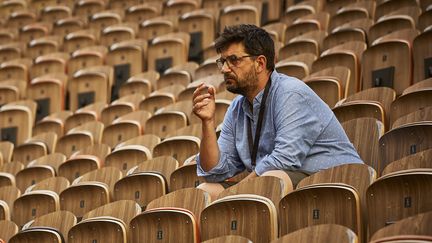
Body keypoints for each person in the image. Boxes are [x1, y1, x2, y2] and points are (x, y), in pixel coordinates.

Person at [192, 24, 363, 200]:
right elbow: (214, 173)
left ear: (260, 63)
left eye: (234, 60)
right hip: (285, 183)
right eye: (223, 61)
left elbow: (284, 159)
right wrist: (208, 122)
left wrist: (237, 192)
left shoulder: (291, 93)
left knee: (274, 179)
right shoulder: (236, 108)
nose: (224, 69)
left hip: (339, 179)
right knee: (206, 190)